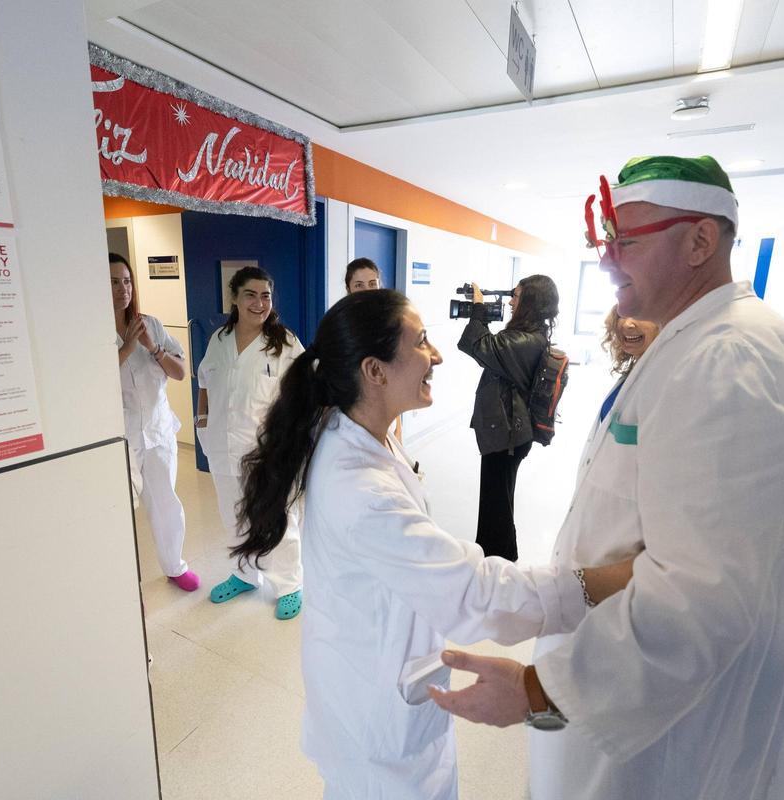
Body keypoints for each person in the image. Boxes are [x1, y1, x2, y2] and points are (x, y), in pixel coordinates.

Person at [430, 155, 784, 800]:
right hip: (631, 679)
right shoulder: (689, 343)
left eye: (626, 243)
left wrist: (536, 690)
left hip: (673, 729)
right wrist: (551, 594)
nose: (606, 262)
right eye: (604, 243)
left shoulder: (730, 360)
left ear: (700, 241)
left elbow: (698, 597)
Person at [232, 289, 634, 799]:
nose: (437, 355)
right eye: (421, 341)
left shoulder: (357, 430)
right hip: (377, 727)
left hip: (368, 672)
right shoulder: (361, 489)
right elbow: (474, 591)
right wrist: (601, 582)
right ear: (374, 371)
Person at [196, 265, 305, 620]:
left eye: (265, 296)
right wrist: (202, 420)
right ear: (234, 298)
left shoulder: (284, 343)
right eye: (250, 295)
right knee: (233, 515)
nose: (259, 303)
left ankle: (289, 584)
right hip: (222, 446)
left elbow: (304, 392)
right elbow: (204, 382)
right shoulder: (219, 339)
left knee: (275, 518)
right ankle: (244, 574)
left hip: (266, 450)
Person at [110, 253, 199, 592]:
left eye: (127, 281)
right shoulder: (93, 330)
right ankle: (124, 586)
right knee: (118, 510)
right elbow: (93, 380)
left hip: (158, 432)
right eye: (113, 282)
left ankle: (174, 566)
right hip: (120, 437)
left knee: (166, 503)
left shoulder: (152, 324)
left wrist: (152, 347)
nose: (123, 289)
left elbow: (180, 372)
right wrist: (128, 347)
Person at [456, 274, 559, 561]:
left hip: (507, 435)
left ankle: (498, 562)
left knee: (496, 506)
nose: (511, 302)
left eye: (516, 296)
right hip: (509, 432)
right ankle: (494, 558)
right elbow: (488, 349)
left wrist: (479, 309)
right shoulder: (530, 336)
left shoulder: (524, 341)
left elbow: (476, 344)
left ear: (529, 302)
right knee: (497, 502)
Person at [345, 257, 403, 442]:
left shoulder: (390, 325)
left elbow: (395, 376)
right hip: (354, 420)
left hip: (388, 415)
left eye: (372, 284)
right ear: (349, 289)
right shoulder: (341, 328)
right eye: (359, 285)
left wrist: (398, 427)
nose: (367, 291)